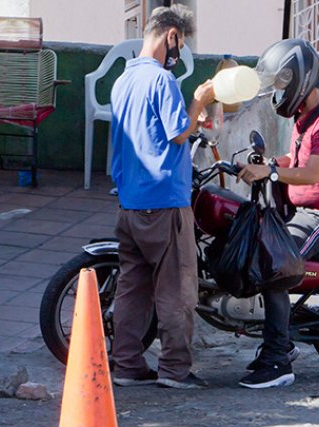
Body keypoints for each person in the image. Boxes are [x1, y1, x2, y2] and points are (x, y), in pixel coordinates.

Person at [109, 4, 215, 390]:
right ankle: (174, 369)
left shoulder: (123, 81)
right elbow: (178, 134)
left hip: (130, 203)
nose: (179, 52)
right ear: (171, 35)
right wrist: (200, 100)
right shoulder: (162, 81)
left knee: (132, 289)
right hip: (164, 202)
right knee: (176, 289)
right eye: (180, 44)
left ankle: (127, 365)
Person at [236, 38, 319, 389]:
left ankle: (278, 361)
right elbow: (295, 162)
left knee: (277, 267)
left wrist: (270, 173)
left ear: (300, 81)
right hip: (299, 210)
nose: (278, 92)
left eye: (282, 84)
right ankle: (279, 343)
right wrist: (268, 163)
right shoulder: (305, 117)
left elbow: (310, 174)